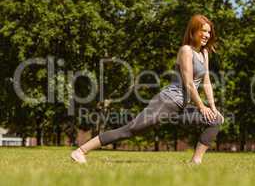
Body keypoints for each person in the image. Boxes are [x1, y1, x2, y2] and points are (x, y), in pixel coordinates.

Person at [71, 14, 224, 164]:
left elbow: (207, 82)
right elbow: (189, 82)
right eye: (203, 31)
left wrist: (212, 107)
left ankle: (196, 161)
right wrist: (201, 106)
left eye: (209, 32)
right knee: (130, 130)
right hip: (167, 102)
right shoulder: (186, 50)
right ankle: (80, 151)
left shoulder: (204, 53)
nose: (206, 35)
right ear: (193, 31)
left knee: (215, 119)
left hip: (181, 107)